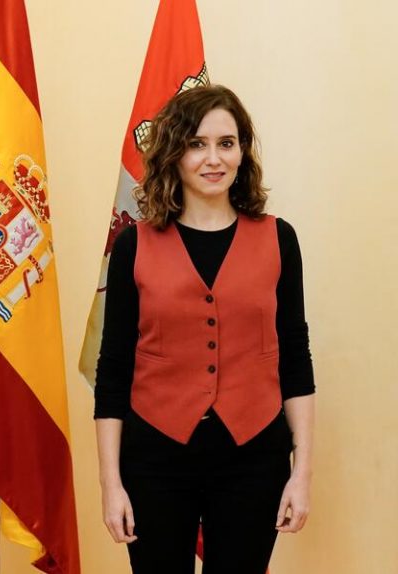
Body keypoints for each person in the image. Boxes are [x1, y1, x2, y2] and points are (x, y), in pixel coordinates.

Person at [95, 85, 315, 573]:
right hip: (154, 457)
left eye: (226, 143)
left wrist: (301, 471)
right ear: (173, 153)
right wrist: (112, 485)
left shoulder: (279, 239)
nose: (213, 158)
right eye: (197, 144)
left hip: (254, 456)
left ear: (242, 152)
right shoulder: (134, 246)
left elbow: (295, 358)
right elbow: (113, 371)